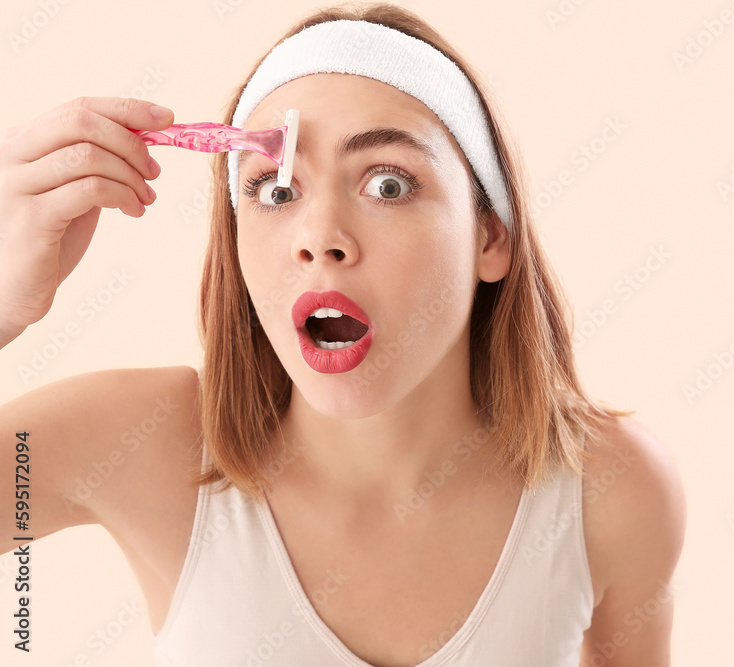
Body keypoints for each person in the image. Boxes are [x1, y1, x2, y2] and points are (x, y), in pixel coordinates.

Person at [0, 3, 685, 665]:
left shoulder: (612, 493)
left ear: (491, 235)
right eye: (275, 190)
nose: (320, 238)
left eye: (387, 185)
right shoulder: (141, 443)